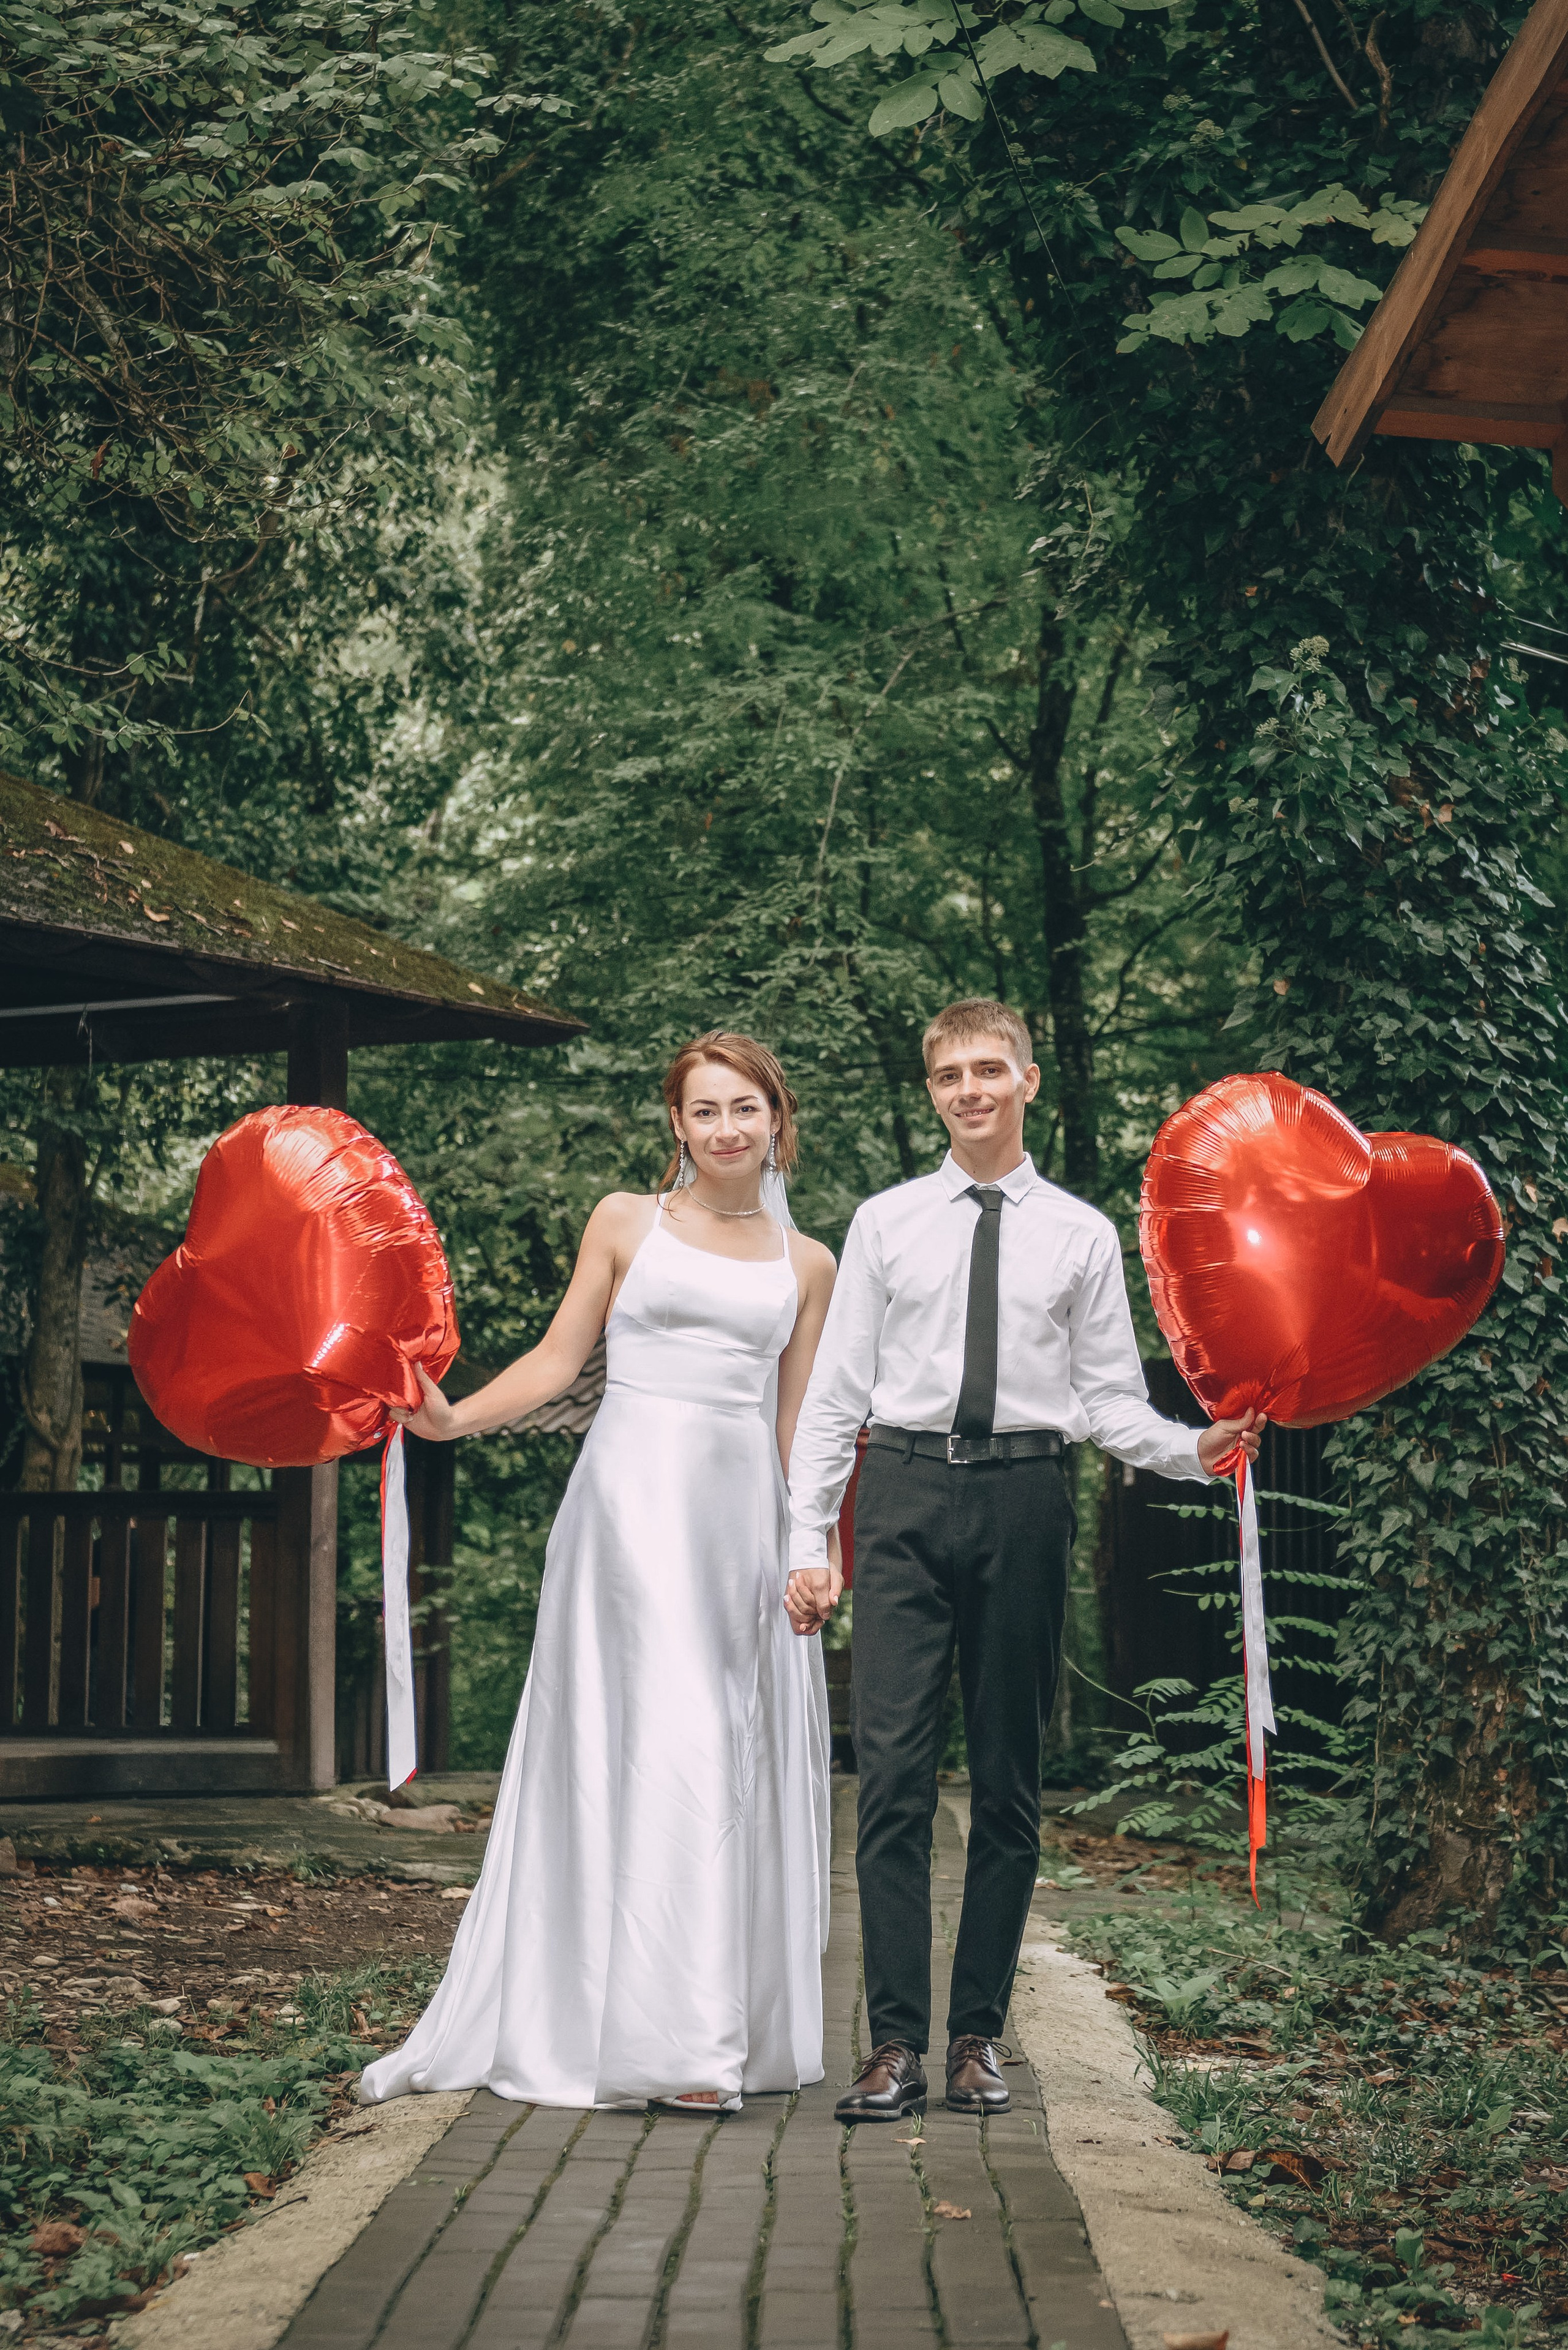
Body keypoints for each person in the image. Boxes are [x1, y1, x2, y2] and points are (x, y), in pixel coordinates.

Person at [784, 999, 1264, 2125]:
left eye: (988, 1068)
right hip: (900, 1492)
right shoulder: (886, 1222)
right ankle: (894, 2041)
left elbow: (1105, 1402)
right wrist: (810, 1539)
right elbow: (835, 1398)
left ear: (1029, 1081)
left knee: (1009, 1779)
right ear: (933, 1090)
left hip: (1026, 1497)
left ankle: (974, 2039)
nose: (969, 1089)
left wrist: (1195, 1450)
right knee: (892, 1776)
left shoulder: (1083, 1235)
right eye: (949, 1073)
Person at [360, 1031, 839, 2115]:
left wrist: (816, 1550)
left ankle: (699, 2027)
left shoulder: (810, 1264)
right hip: (626, 1510)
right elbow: (557, 1358)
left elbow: (803, 1423)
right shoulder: (627, 1220)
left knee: (718, 1744)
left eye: (745, 1108)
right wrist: (449, 1419)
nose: (725, 1127)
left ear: (777, 1118)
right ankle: (656, 2038)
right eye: (704, 1109)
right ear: (677, 1123)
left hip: (737, 1524)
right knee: (650, 1738)